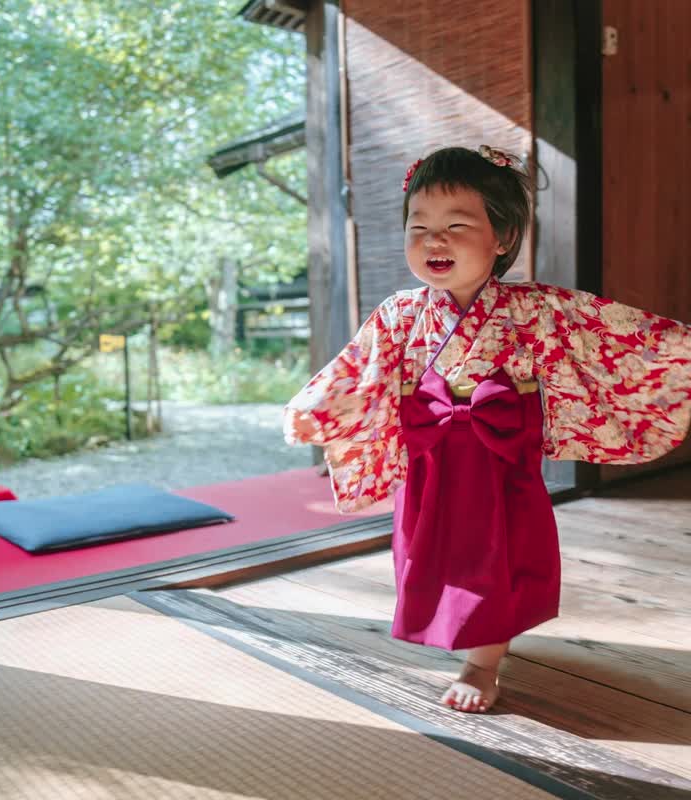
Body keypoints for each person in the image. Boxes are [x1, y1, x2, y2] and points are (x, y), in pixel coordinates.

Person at [283, 145, 691, 714]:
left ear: (502, 237)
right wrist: (317, 407)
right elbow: (360, 368)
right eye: (418, 226)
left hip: (499, 465)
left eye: (456, 225)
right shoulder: (401, 314)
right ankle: (458, 637)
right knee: (430, 559)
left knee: (498, 561)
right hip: (432, 464)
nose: (434, 241)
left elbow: (619, 340)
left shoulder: (536, 310)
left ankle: (483, 661)